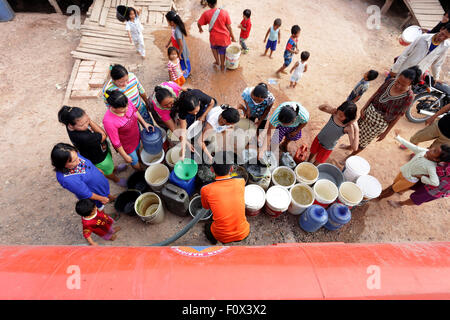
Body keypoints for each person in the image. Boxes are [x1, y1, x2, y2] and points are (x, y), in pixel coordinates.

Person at [343, 66, 421, 157]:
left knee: (363, 141)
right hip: (367, 113)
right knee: (356, 133)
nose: (398, 86)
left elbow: (398, 116)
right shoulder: (390, 81)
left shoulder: (409, 97)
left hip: (379, 123)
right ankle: (350, 146)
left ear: (410, 84)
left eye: (403, 85)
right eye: (398, 82)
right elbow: (376, 94)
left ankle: (350, 156)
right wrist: (364, 107)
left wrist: (385, 132)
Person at [58, 106, 127, 187]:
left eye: (87, 120)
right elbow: (103, 135)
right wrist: (89, 121)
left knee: (109, 165)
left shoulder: (69, 121)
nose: (86, 125)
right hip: (98, 158)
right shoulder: (84, 137)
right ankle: (116, 179)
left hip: (100, 149)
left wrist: (85, 120)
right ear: (71, 125)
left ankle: (113, 169)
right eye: (82, 124)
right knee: (107, 171)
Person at [377, 135, 449, 202]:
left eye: (434, 151)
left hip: (409, 180)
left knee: (392, 189)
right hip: (403, 172)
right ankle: (385, 193)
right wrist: (398, 138)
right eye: (434, 148)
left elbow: (435, 182)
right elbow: (413, 147)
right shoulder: (424, 151)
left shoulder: (431, 167)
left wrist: (421, 177)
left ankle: (379, 197)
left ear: (436, 159)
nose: (431, 149)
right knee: (394, 185)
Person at [201, 151, 250, 244]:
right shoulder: (240, 182)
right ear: (231, 169)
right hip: (243, 233)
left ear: (211, 169)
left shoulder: (206, 190)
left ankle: (213, 241)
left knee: (208, 226)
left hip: (222, 237)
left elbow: (206, 207)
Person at [51, 143, 115, 210]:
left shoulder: (73, 155)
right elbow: (86, 193)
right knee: (99, 207)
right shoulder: (67, 179)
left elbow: (88, 163)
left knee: (106, 192)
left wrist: (96, 169)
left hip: (100, 186)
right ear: (62, 164)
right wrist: (101, 199)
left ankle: (111, 198)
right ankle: (105, 217)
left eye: (77, 156)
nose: (79, 161)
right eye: (74, 161)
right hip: (95, 195)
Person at [103, 90, 153, 171]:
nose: (127, 109)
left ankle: (141, 162)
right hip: (127, 145)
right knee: (134, 161)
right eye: (123, 109)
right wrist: (125, 156)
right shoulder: (109, 121)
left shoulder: (125, 101)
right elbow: (116, 142)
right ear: (113, 107)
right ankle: (142, 171)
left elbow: (135, 111)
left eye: (127, 106)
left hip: (136, 135)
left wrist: (144, 123)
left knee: (138, 150)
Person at [171, 89, 216, 158]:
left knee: (202, 116)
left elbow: (212, 103)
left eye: (196, 111)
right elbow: (183, 131)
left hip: (201, 108)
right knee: (188, 123)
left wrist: (203, 116)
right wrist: (183, 152)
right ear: (186, 111)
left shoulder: (200, 96)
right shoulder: (182, 110)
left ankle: (199, 127)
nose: (195, 113)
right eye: (192, 112)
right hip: (189, 111)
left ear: (199, 102)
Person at [197, 0, 236, 71]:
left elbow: (199, 23)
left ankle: (217, 61)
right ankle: (222, 66)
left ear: (208, 4)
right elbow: (229, 27)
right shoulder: (225, 12)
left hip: (213, 38)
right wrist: (232, 37)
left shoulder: (206, 13)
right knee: (222, 51)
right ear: (216, 2)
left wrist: (200, 29)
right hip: (224, 38)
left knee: (213, 48)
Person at [165, 10, 191, 78]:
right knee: (183, 62)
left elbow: (181, 45)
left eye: (167, 21)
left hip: (181, 51)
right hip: (178, 49)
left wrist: (179, 55)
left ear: (172, 22)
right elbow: (172, 36)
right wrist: (168, 43)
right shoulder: (173, 27)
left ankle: (185, 74)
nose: (167, 23)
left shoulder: (177, 31)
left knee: (184, 62)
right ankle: (184, 72)